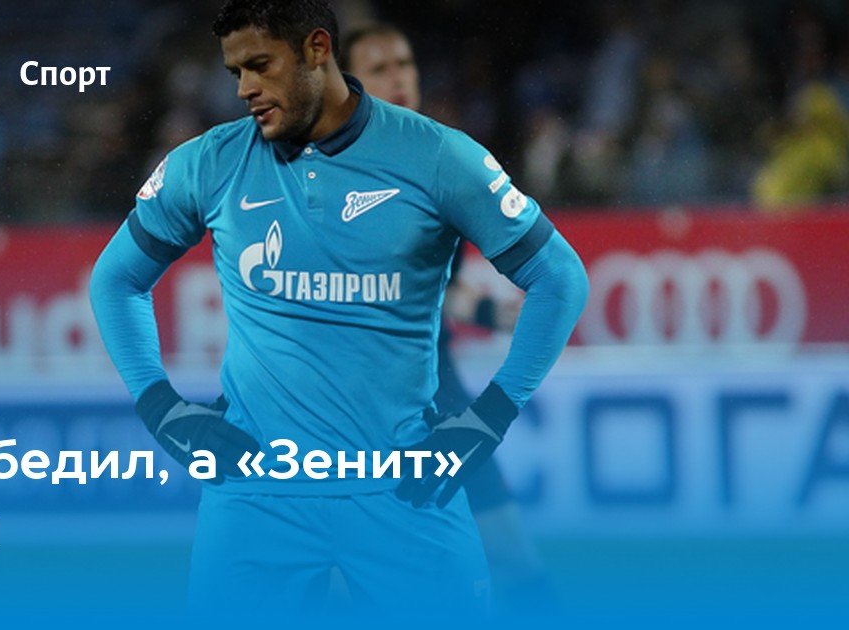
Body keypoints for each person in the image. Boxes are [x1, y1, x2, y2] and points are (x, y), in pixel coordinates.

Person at [89, 0, 588, 617]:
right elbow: (116, 281)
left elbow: (559, 278)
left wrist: (491, 416)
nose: (244, 89)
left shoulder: (437, 157)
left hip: (406, 489)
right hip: (254, 497)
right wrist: (161, 409)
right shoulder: (208, 163)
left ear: (317, 49)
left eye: (260, 66)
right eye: (235, 72)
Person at [340, 23, 557, 611]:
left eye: (404, 63)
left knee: (512, 556)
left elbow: (436, 287)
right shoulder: (322, 176)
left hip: (441, 396)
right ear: (347, 82)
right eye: (380, 68)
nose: (399, 77)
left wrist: (491, 311)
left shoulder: (443, 160)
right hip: (353, 410)